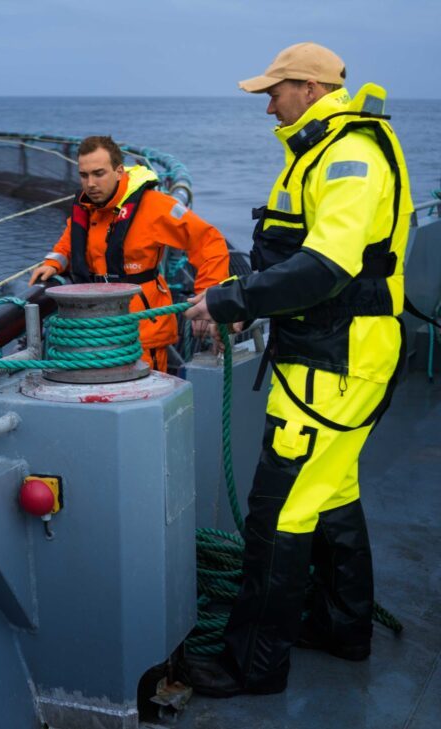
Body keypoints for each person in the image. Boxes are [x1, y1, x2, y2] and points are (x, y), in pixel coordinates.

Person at [184, 42, 414, 697]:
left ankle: (252, 664)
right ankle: (343, 628)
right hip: (334, 359)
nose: (267, 104)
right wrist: (247, 291)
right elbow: (290, 249)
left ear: (310, 87)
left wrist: (232, 300)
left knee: (278, 510)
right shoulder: (318, 149)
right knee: (331, 495)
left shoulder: (347, 155)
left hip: (337, 364)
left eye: (274, 91)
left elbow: (325, 267)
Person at [28, 135, 229, 371]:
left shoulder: (155, 206)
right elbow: (70, 241)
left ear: (119, 171)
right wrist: (54, 262)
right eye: (84, 175)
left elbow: (209, 241)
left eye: (99, 173)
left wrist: (208, 294)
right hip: (94, 330)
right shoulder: (87, 209)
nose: (90, 183)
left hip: (143, 332)